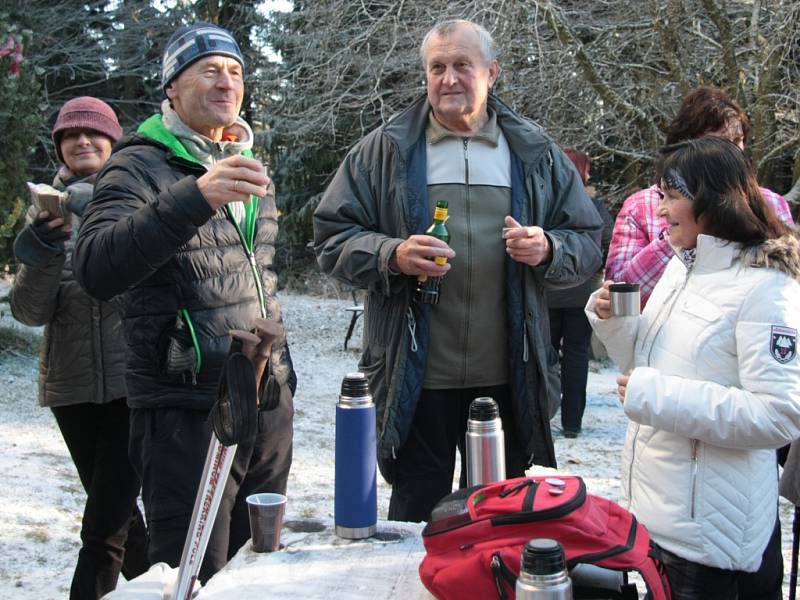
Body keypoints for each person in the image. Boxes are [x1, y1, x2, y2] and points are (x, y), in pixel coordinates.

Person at [313, 19, 603, 523]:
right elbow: (330, 238)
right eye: (437, 67)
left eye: (462, 66)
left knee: (498, 523)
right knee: (414, 520)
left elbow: (587, 239)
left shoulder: (534, 154)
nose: (449, 79)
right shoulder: (385, 152)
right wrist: (392, 255)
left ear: (492, 73)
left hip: (509, 376)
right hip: (416, 376)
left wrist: (550, 247)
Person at [72, 23, 296, 582]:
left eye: (236, 71)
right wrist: (194, 197)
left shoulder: (244, 156)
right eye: (209, 69)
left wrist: (282, 381)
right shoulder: (137, 165)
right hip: (186, 409)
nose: (227, 81)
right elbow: (97, 268)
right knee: (191, 578)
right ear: (172, 87)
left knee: (257, 572)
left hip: (264, 395)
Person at [586, 137, 800, 599]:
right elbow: (644, 365)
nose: (660, 212)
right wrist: (616, 322)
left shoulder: (766, 288)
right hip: (661, 516)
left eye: (670, 197)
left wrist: (653, 397)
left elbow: (780, 415)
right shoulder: (685, 267)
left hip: (710, 538)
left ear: (712, 200)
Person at [9, 97, 148, 599]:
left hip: (134, 382)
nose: (82, 142)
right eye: (71, 136)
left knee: (103, 526)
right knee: (119, 515)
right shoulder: (44, 208)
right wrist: (45, 251)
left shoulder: (135, 199)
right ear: (61, 149)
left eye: (93, 134)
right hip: (71, 389)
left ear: (113, 143)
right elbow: (28, 312)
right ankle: (173, 585)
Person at [605, 87, 793, 308]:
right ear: (688, 146)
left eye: (738, 139)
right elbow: (618, 295)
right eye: (717, 142)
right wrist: (677, 234)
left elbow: (785, 288)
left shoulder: (769, 203)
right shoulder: (641, 207)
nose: (733, 151)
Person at [546, 149, 613, 438]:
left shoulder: (548, 204)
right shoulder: (595, 207)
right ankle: (572, 422)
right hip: (583, 292)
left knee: (545, 355)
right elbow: (609, 241)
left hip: (548, 291)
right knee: (576, 355)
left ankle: (542, 413)